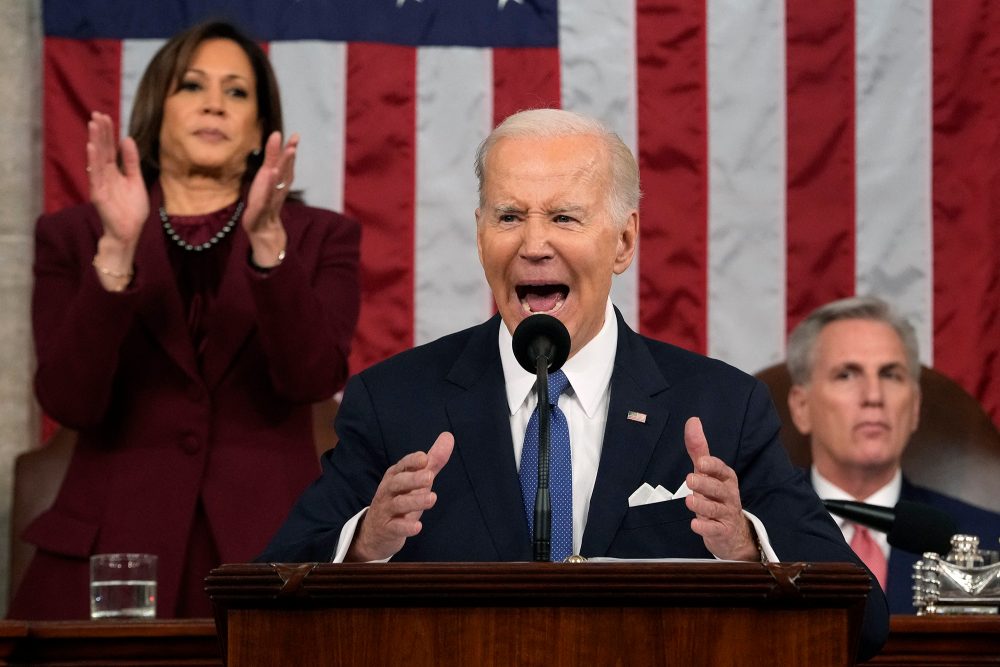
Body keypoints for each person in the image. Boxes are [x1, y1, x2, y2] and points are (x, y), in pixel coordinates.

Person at [259, 108, 887, 660]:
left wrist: (750, 551)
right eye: (509, 216)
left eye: (564, 216)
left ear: (624, 241)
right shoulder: (395, 403)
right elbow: (263, 602)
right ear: (480, 236)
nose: (534, 244)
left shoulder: (722, 408)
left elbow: (866, 623)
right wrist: (364, 549)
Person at [9, 21, 360, 619]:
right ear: (157, 111)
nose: (214, 103)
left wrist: (269, 247)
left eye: (237, 92)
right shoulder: (74, 237)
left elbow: (309, 381)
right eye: (192, 85)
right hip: (110, 557)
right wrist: (116, 255)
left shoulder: (320, 237)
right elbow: (69, 401)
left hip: (267, 557)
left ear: (258, 130)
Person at [786, 295, 1000, 614]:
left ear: (914, 408)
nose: (873, 396)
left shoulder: (986, 540)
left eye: (891, 375)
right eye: (846, 374)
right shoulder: (752, 534)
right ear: (802, 407)